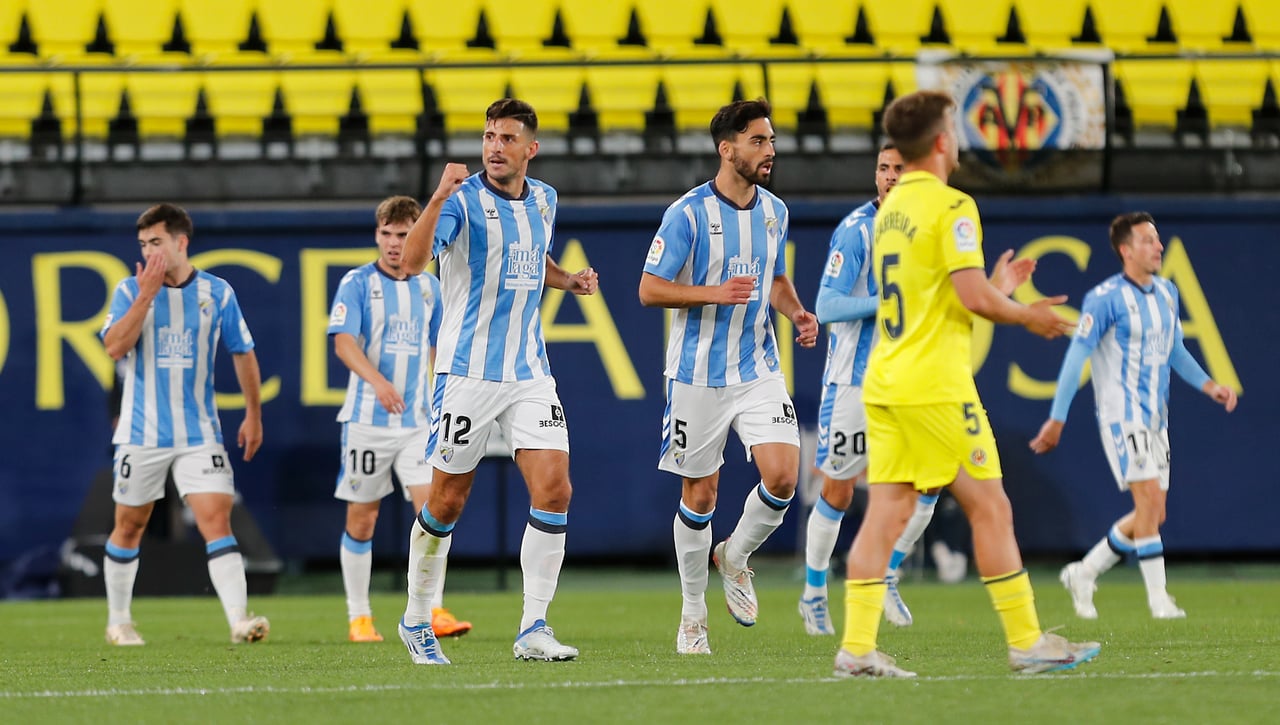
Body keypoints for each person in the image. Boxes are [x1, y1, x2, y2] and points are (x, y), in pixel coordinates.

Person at [832, 90, 1100, 678]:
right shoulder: (952, 205)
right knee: (991, 506)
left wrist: (995, 283)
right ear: (940, 141)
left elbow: (942, 291)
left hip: (886, 378)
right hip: (935, 385)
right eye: (953, 127)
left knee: (887, 513)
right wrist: (1024, 311)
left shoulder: (890, 212)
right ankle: (1027, 640)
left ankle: (855, 647)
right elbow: (970, 297)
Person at [394, 99, 598, 665]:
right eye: (488, 136)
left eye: (507, 138)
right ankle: (416, 617)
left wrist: (567, 280)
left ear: (530, 149)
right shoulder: (460, 202)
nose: (494, 146)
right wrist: (435, 196)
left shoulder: (546, 200)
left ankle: (534, 625)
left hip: (529, 372)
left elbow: (533, 259)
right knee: (446, 501)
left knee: (555, 489)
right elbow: (411, 264)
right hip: (466, 372)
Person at [801, 144, 1025, 635]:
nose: (888, 177)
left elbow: (951, 300)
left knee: (928, 486)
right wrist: (883, 301)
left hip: (913, 380)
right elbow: (827, 304)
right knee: (838, 491)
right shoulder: (858, 229)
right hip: (855, 382)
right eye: (882, 169)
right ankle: (814, 592)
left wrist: (997, 290)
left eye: (898, 169)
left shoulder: (925, 224)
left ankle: (887, 576)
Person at [638, 98, 820, 655]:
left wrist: (797, 312)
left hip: (758, 366)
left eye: (770, 140)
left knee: (784, 475)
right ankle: (693, 617)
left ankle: (735, 555)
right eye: (759, 141)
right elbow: (650, 290)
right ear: (728, 149)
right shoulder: (688, 214)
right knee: (700, 494)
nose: (770, 151)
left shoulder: (774, 211)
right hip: (695, 374)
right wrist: (711, 293)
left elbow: (776, 278)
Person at [1030, 212, 1237, 620]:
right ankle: (1159, 600)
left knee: (1153, 513)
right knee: (1146, 502)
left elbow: (1174, 347)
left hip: (1156, 417)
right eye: (1147, 240)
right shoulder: (1104, 298)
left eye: (1158, 240)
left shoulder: (1167, 292)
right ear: (1126, 250)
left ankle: (1083, 572)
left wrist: (1209, 385)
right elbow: (1077, 357)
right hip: (1122, 415)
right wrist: (1057, 417)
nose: (1158, 246)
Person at [99, 203, 269, 646]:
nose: (149, 251)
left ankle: (239, 620)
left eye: (156, 242)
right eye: (143, 244)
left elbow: (243, 352)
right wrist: (145, 295)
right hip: (141, 433)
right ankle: (119, 621)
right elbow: (115, 347)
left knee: (217, 518)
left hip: (199, 433)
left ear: (181, 242)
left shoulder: (218, 292)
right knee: (130, 524)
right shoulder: (128, 290)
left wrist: (253, 412)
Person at [328, 196, 471, 643]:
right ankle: (359, 616)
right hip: (367, 422)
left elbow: (436, 349)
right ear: (377, 235)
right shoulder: (356, 283)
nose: (394, 244)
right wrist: (378, 383)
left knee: (434, 511)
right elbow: (343, 343)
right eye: (387, 234)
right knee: (363, 519)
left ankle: (433, 609)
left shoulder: (428, 287)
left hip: (418, 423)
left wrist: (440, 396)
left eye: (404, 235)